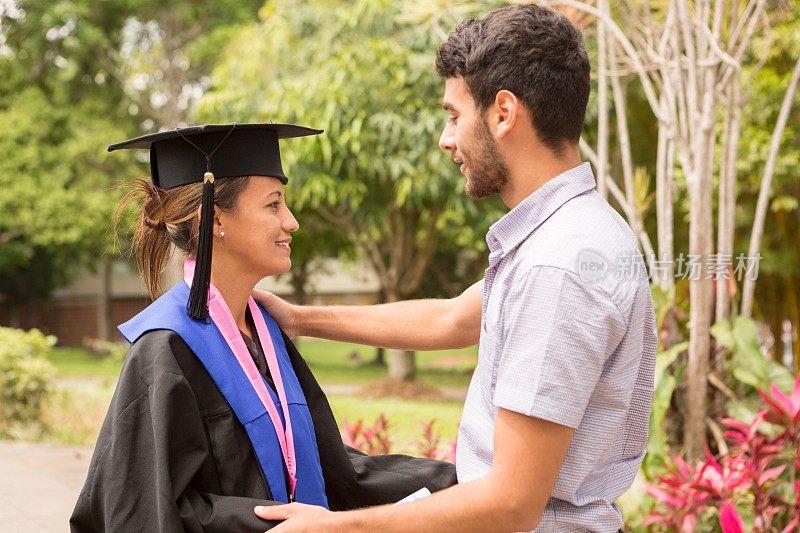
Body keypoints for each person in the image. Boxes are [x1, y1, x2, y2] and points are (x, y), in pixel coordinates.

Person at [253, 4, 657, 532]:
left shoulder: (556, 267)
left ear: (503, 112)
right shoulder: (569, 234)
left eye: (454, 115)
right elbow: (451, 319)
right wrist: (300, 319)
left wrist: (335, 528)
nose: (447, 139)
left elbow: (511, 503)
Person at [70, 123, 456, 533]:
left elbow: (327, 470)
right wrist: (275, 523)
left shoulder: (266, 333)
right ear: (215, 218)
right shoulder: (166, 348)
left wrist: (456, 483)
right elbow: (145, 511)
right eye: (274, 205)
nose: (291, 222)